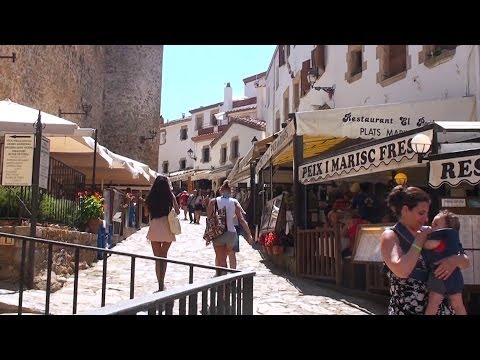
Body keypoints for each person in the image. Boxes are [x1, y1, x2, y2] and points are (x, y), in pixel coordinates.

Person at [380, 185, 470, 315]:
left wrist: (453, 260)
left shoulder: (430, 231)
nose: (426, 219)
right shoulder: (391, 236)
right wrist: (419, 241)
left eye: (427, 214)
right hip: (407, 310)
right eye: (421, 213)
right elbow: (402, 270)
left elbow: (465, 261)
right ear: (405, 210)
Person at [423, 210, 467, 315]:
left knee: (433, 303)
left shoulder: (439, 240)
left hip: (440, 275)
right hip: (456, 276)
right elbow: (464, 257)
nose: (431, 227)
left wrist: (422, 237)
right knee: (458, 304)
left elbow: (426, 245)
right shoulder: (454, 243)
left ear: (446, 229)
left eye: (435, 225)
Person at [207, 180, 254, 275]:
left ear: (221, 190)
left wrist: (208, 235)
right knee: (229, 256)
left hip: (218, 234)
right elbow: (242, 220)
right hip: (232, 234)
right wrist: (249, 235)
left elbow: (209, 219)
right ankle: (230, 278)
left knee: (221, 260)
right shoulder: (234, 202)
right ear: (230, 192)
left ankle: (222, 280)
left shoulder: (213, 202)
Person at [144, 175, 180, 292]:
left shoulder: (151, 196)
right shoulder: (170, 196)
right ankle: (162, 282)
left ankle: (160, 283)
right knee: (163, 256)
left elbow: (145, 213)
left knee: (157, 258)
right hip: (167, 227)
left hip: (154, 227)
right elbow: (178, 211)